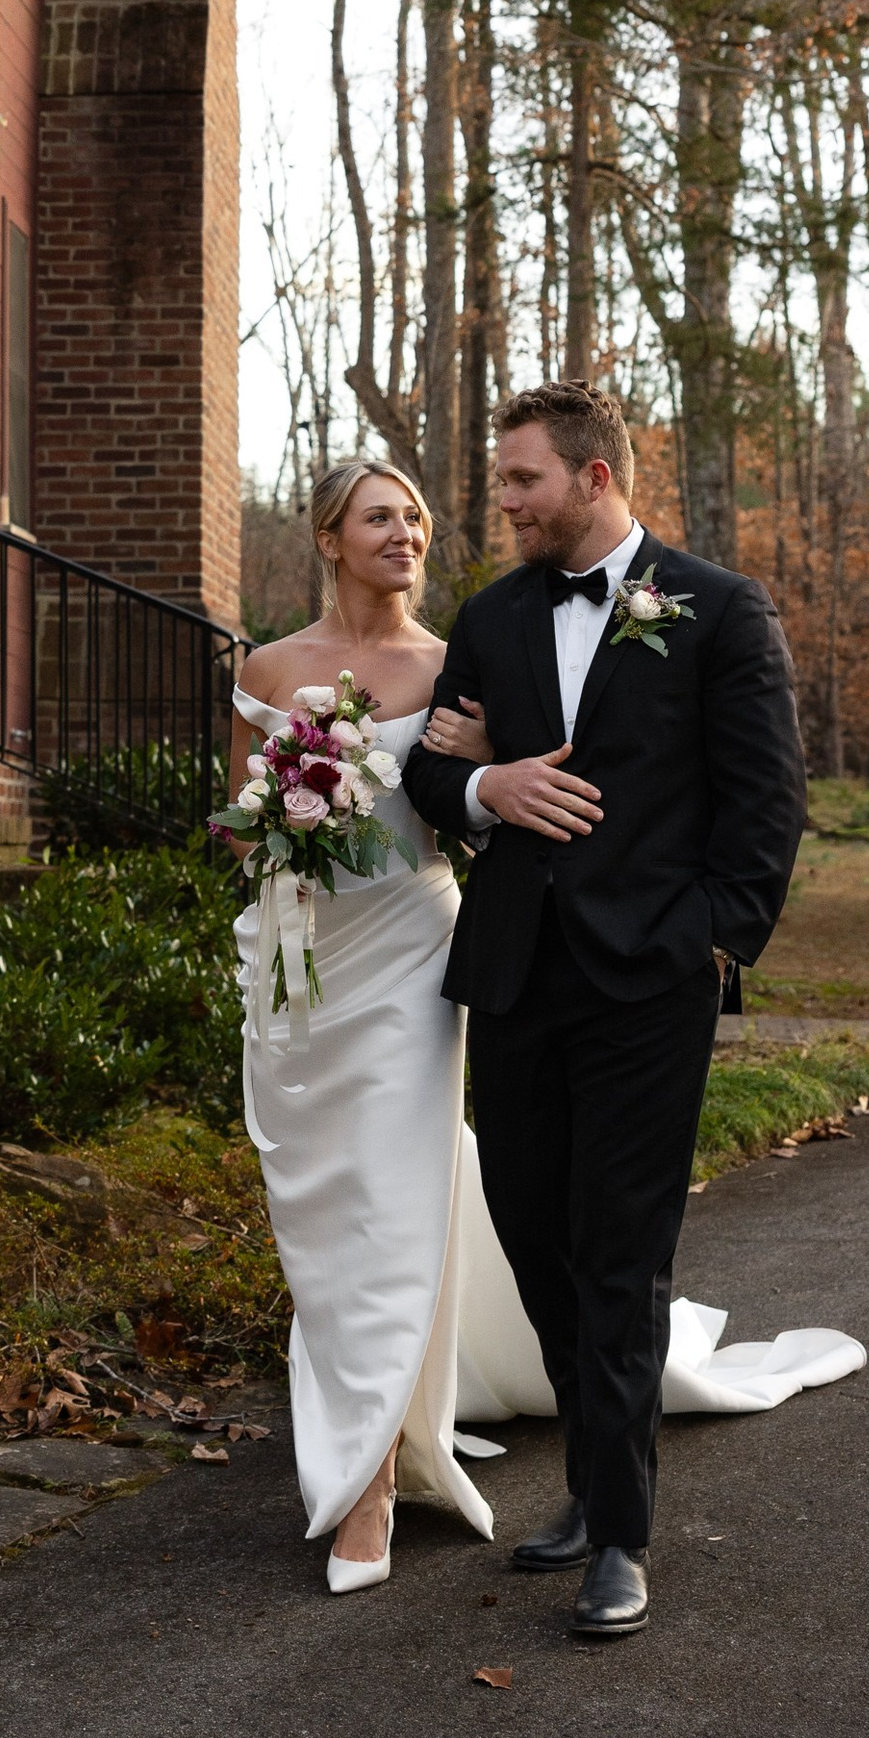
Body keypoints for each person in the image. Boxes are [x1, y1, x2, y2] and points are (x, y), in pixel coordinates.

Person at [403, 378, 807, 1640]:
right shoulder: (490, 616)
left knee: (619, 1251)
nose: (506, 501)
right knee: (536, 1237)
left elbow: (767, 802)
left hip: (649, 984)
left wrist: (710, 942)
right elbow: (430, 771)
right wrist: (490, 792)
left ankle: (619, 1535)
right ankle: (589, 1477)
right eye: (502, 480)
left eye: (523, 478)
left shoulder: (718, 608)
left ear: (594, 475)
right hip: (515, 975)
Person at [229, 455, 496, 1593]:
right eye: (380, 517)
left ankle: (371, 1477)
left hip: (412, 953)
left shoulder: (451, 666)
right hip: (301, 958)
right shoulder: (268, 667)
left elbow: (475, 820)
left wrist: (479, 770)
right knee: (324, 1205)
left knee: (390, 1193)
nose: (406, 534)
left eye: (416, 518)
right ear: (328, 536)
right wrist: (278, 826)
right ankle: (389, 1389)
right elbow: (237, 823)